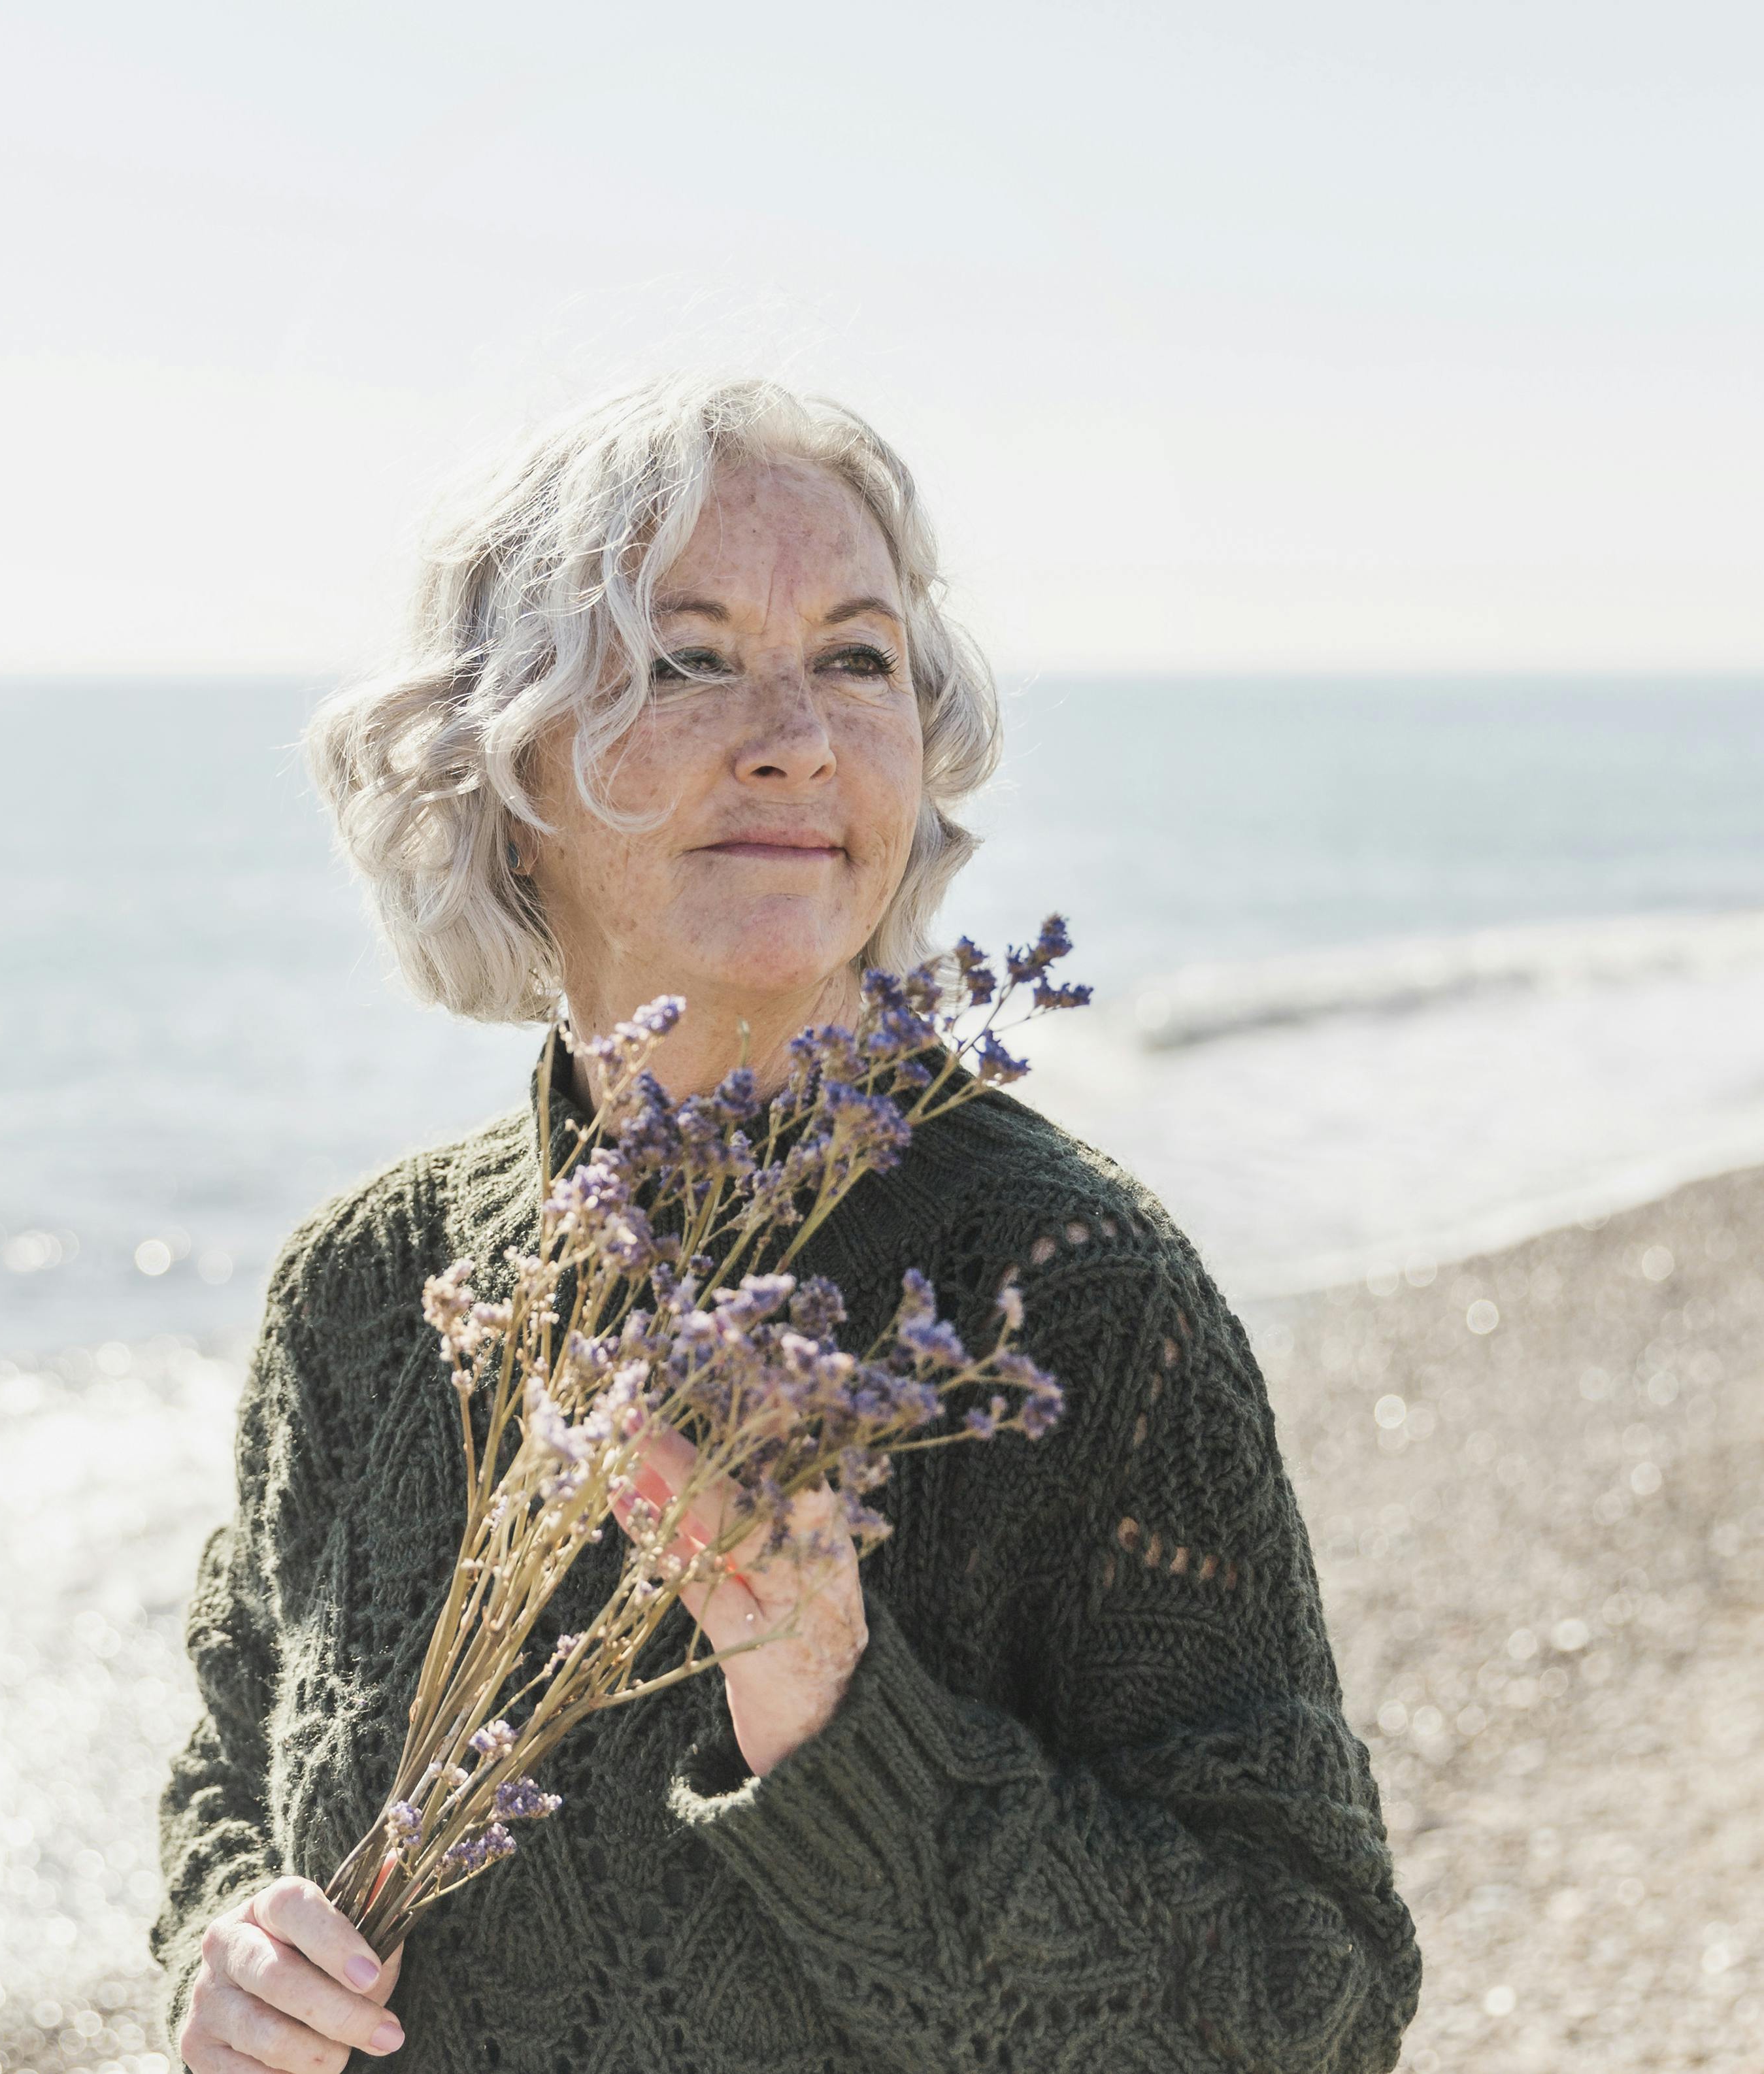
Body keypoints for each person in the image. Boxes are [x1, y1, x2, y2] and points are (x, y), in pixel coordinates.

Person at [151, 375, 1422, 2073]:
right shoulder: (369, 1297)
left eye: (855, 658)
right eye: (686, 657)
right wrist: (227, 1955)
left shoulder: (1075, 1302)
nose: (796, 737)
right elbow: (233, 1761)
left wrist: (837, 1715)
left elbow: (1311, 2002)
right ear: (500, 756)